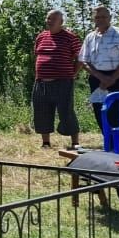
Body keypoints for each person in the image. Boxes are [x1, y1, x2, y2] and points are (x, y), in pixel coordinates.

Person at [78, 6, 119, 149]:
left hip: (117, 76)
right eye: (97, 17)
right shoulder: (90, 37)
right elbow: (83, 61)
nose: (100, 20)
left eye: (104, 17)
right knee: (99, 110)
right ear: (93, 19)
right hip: (96, 77)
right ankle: (109, 140)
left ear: (110, 18)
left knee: (115, 110)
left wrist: (112, 78)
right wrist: (100, 77)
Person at [32, 9, 82, 149]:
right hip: (41, 82)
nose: (50, 21)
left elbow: (81, 58)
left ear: (61, 22)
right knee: (41, 112)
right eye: (48, 18)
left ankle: (75, 143)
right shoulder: (41, 37)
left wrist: (74, 73)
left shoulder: (70, 37)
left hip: (63, 82)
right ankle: (46, 143)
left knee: (67, 112)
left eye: (53, 19)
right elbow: (36, 54)